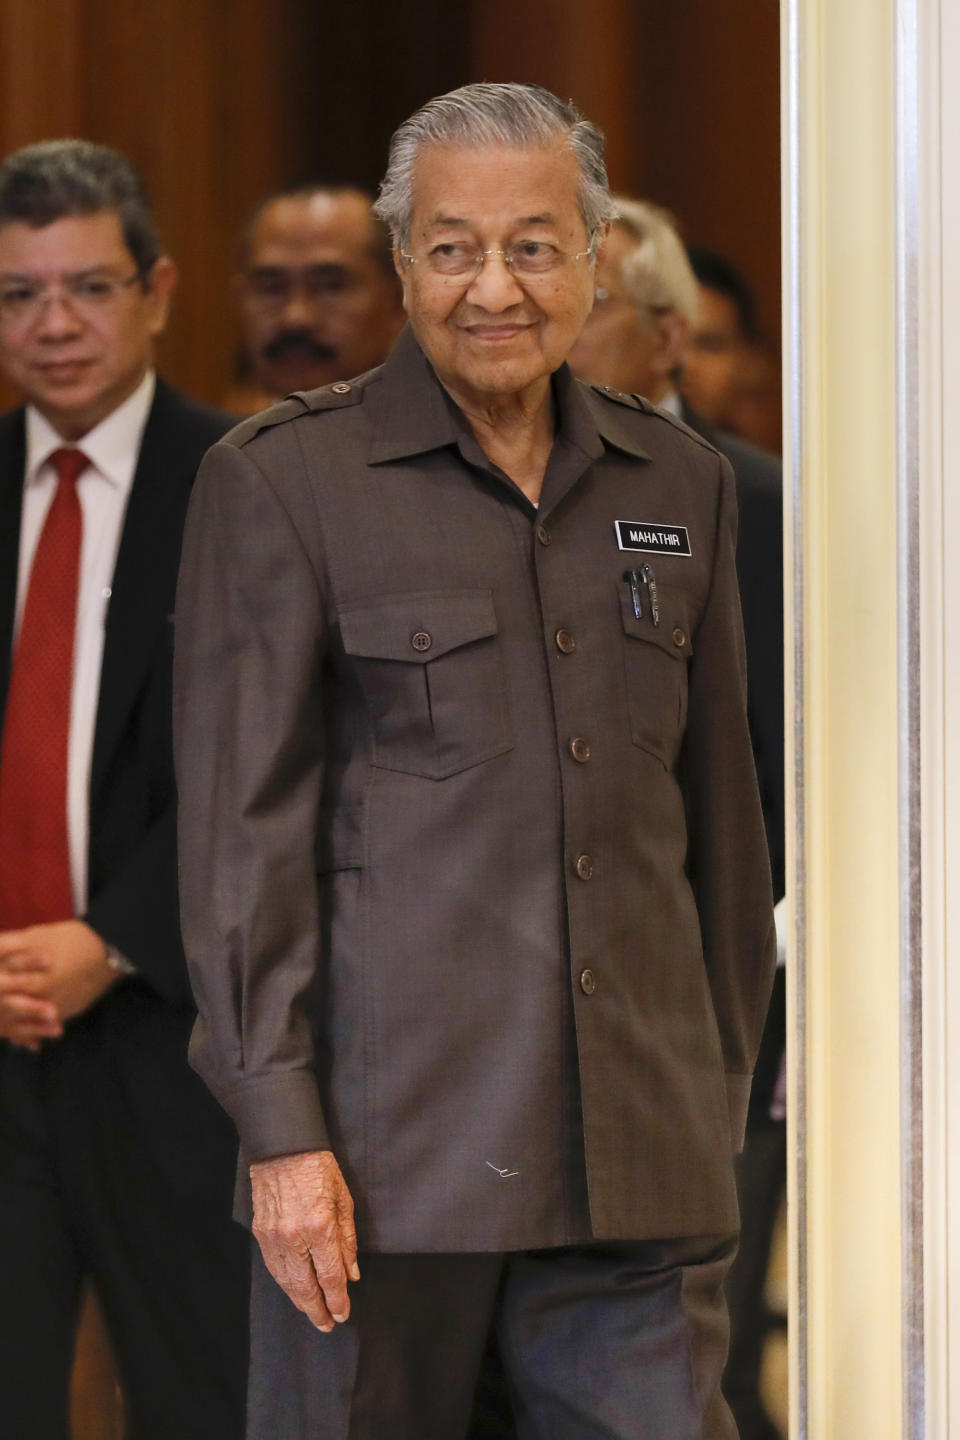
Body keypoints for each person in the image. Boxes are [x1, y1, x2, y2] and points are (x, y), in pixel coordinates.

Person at [174, 83, 776, 1440]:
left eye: (533, 245)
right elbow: (241, 844)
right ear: (402, 268)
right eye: (452, 249)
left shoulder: (683, 486)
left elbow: (722, 827)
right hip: (382, 1178)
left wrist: (712, 1091)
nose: (493, 287)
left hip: (641, 1156)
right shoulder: (282, 484)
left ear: (592, 253)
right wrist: (281, 1138)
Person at [0, 139, 249, 1440]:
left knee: (205, 1396)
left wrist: (112, 942)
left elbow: (266, 767)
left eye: (88, 288)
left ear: (155, 291)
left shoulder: (244, 486)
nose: (54, 326)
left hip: (175, 1036)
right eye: (19, 294)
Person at [570, 199, 786, 1440]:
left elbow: (777, 769)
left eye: (589, 302)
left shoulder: (749, 499)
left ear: (667, 340)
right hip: (538, 1018)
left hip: (710, 996)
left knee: (691, 1359)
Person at [226, 183, 406, 414]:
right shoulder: (217, 445)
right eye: (271, 288)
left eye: (330, 287)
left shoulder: (449, 440)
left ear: (398, 302)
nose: (296, 318)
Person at [681, 247, 782, 453]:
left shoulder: (771, 480)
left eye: (709, 344)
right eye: (669, 341)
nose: (687, 365)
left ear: (748, 358)